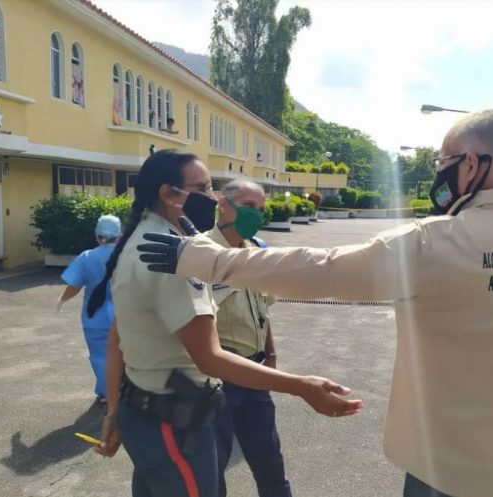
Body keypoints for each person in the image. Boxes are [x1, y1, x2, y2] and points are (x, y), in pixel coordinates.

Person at [137, 110, 493, 497]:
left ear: (470, 164)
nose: (438, 174)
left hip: (442, 471)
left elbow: (318, 268)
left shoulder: (432, 243)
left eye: (442, 163)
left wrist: (200, 256)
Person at [89, 149, 362, 497]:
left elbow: (118, 339)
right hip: (175, 420)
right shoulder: (174, 257)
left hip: (147, 411)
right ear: (169, 194)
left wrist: (114, 411)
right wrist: (303, 386)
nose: (211, 198)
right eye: (202, 188)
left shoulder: (148, 240)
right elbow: (209, 358)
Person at [209, 179, 292, 496]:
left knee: (270, 465)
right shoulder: (201, 253)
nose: (256, 215)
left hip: (256, 374)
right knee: (213, 471)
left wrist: (270, 354)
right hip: (217, 380)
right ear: (223, 204)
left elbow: (263, 309)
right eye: (249, 207)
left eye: (261, 209)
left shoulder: (257, 251)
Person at [58, 214, 122, 403]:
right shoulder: (127, 255)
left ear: (97, 235)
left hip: (95, 318)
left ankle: (106, 392)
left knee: (100, 355)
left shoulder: (87, 257)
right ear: (120, 235)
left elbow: (74, 286)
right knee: (127, 352)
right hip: (125, 316)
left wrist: (62, 300)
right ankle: (125, 389)